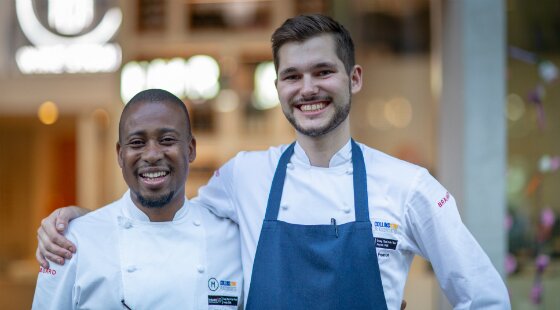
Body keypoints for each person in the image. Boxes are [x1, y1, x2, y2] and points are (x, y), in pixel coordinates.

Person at [36, 14, 510, 309]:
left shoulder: (409, 187)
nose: (308, 89)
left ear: (355, 78)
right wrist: (77, 220)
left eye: (323, 71)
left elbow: (486, 298)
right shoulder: (245, 175)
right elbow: (165, 212)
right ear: (279, 87)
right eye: (292, 76)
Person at [32, 89, 243, 309]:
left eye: (167, 140)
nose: (152, 155)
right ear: (120, 155)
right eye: (137, 143)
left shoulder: (232, 238)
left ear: (190, 149)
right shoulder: (72, 242)